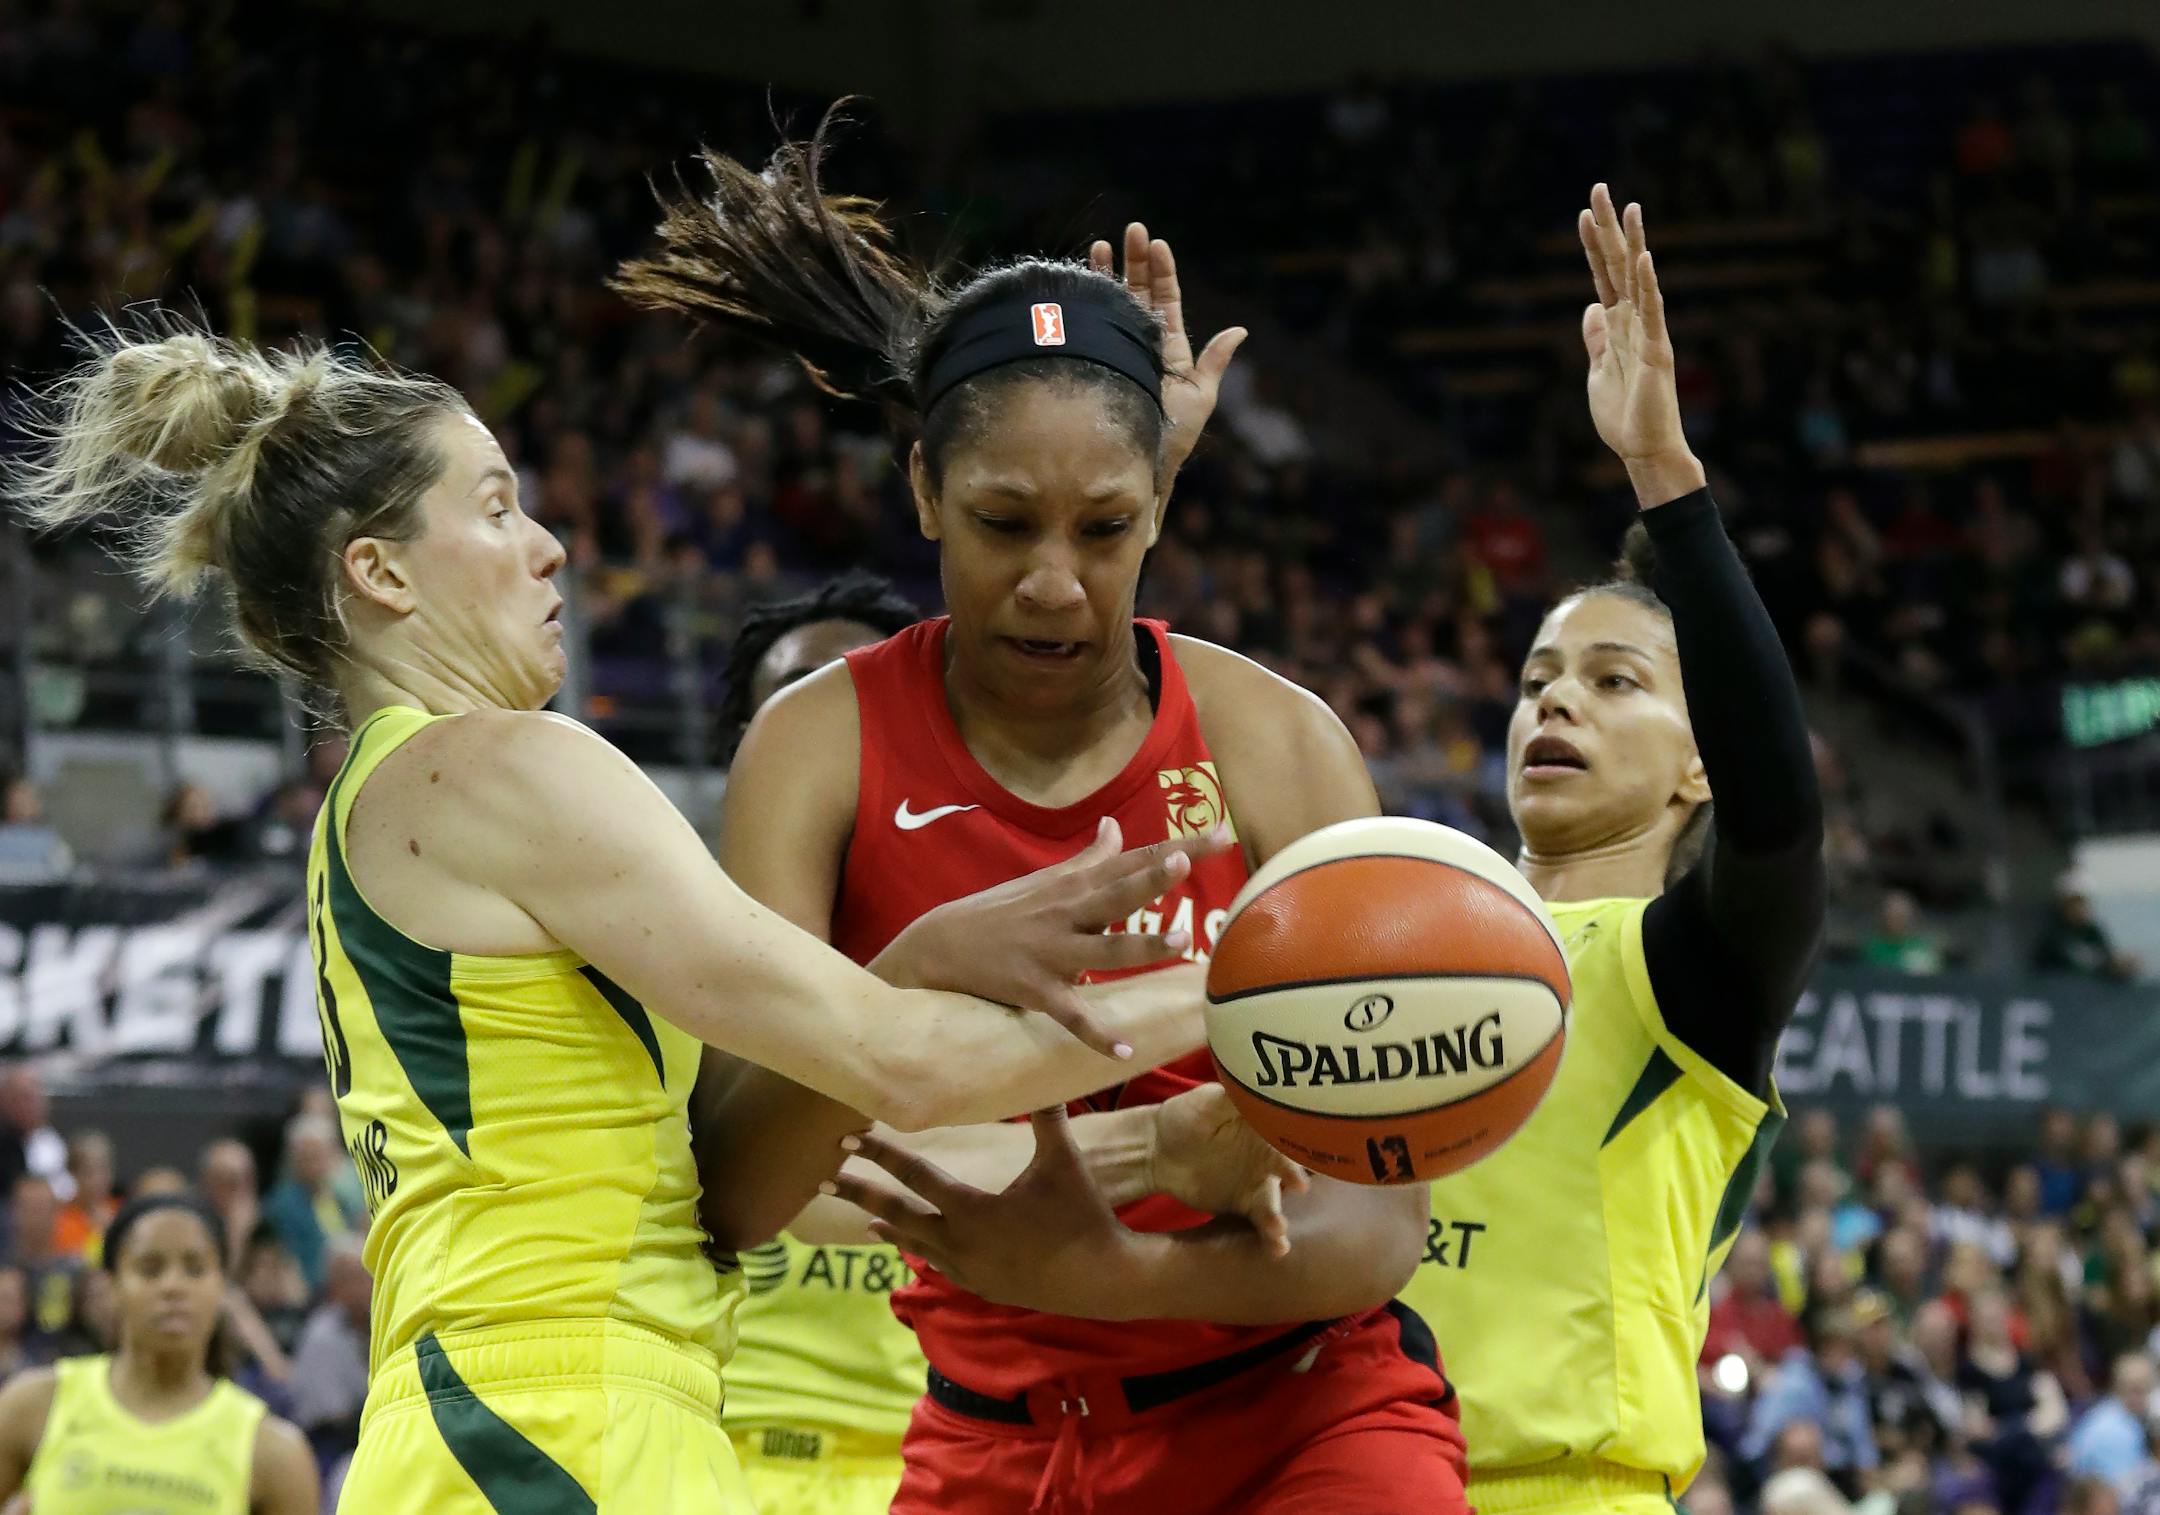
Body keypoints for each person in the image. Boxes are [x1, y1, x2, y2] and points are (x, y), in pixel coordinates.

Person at [15, 317, 1229, 1512]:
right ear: (381, 573)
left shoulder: (401, 798)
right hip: (554, 1430)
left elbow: (828, 1155)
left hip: (523, 1419)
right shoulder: (497, 766)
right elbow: (905, 1060)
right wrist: (1246, 989)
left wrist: (1165, 1144)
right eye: (497, 509)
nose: (549, 547)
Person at [615, 118, 1464, 1515]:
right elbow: (744, 1189)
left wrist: (1113, 1275)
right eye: (1004, 524)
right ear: (923, 491)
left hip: (1304, 1413)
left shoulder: (1277, 740)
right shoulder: (817, 746)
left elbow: (1377, 1223)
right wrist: (905, 983)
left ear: (1159, 509)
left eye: (1105, 527)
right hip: (995, 1444)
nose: (1055, 582)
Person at [1385, 186, 1826, 1515]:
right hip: (1347, 1478)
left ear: (1700, 763)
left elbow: (1779, 812)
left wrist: (1665, 480)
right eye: (1537, 680)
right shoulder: (1398, 936)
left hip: (1569, 1488)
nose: (1556, 703)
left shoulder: (1688, 972)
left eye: (1615, 680)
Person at [713, 572, 930, 1515]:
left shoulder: (1012, 966)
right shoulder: (659, 965)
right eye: (791, 712)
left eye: (855, 714)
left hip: (931, 1461)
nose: (822, 744)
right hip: (707, 1458)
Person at [0, 1192, 319, 1513]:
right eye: (150, 1270)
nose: (173, 1286)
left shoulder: (272, 1450)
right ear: (111, 1285)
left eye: (195, 1269)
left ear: (223, 1287)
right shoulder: (35, 1405)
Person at [260, 1112, 365, 1293]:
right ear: (293, 1159)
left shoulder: (345, 1195)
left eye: (320, 1155)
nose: (315, 1164)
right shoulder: (280, 1208)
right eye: (308, 1157)